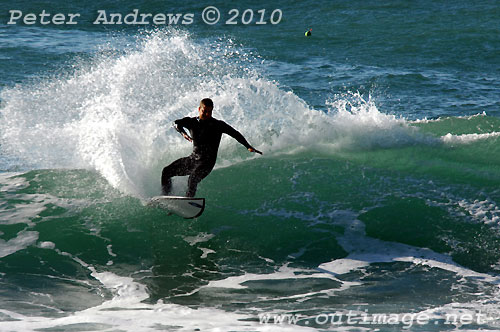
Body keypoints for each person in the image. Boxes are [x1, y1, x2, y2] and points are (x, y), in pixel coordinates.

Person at [162, 98, 262, 197]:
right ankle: (166, 197)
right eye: (204, 111)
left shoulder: (218, 125)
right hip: (193, 159)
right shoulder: (192, 122)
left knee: (193, 178)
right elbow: (176, 123)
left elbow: (235, 134)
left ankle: (188, 202)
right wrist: (183, 133)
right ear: (199, 109)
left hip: (207, 163)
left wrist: (248, 146)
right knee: (166, 171)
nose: (207, 114)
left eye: (210, 112)